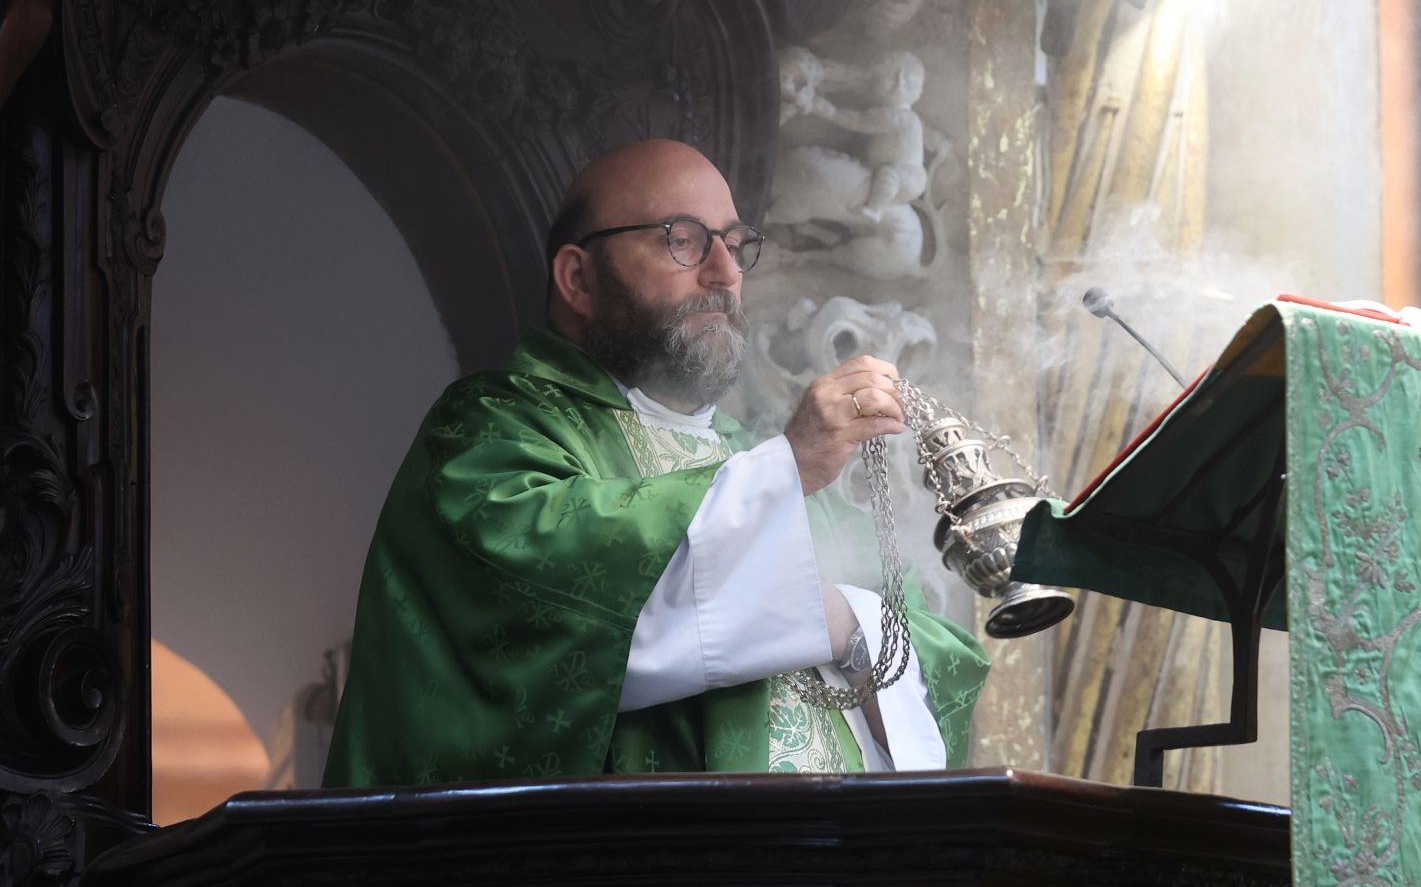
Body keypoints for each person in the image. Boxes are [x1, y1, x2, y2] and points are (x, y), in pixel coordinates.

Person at [322, 139, 990, 786]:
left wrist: (846, 622)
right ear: (579, 279)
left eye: (735, 244)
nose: (724, 272)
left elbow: (930, 649)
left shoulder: (753, 458)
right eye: (683, 239)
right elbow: (567, 615)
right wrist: (788, 473)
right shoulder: (488, 431)